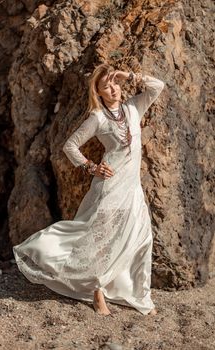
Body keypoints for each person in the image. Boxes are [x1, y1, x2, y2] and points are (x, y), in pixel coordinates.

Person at [13, 63, 164, 316]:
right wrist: (91, 167)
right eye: (106, 86)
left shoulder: (133, 108)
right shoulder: (98, 118)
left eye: (115, 83)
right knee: (101, 241)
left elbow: (158, 86)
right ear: (98, 92)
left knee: (141, 239)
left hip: (133, 188)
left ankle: (141, 296)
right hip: (110, 188)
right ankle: (97, 291)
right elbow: (70, 146)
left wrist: (128, 75)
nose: (113, 89)